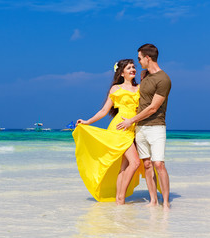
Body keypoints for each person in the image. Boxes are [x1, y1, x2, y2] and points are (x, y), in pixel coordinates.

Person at [73, 59, 146, 205]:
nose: (133, 70)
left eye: (134, 67)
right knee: (135, 162)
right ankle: (121, 197)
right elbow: (104, 111)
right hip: (119, 129)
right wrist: (87, 121)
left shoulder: (139, 87)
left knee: (124, 166)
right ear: (122, 73)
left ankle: (120, 199)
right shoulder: (115, 89)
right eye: (129, 68)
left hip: (132, 129)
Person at [117, 44, 172, 210]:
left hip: (156, 126)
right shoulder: (144, 74)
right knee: (147, 164)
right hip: (140, 128)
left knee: (158, 164)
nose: (139, 62)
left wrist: (130, 120)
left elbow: (153, 107)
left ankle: (166, 202)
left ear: (148, 58)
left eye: (140, 58)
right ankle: (153, 200)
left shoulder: (164, 79)